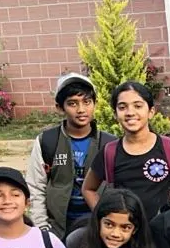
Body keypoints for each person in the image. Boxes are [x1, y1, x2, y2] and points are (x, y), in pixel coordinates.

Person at [81, 81, 170, 220]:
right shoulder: (109, 152)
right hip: (127, 231)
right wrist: (105, 217)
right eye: (122, 107)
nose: (130, 112)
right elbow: (88, 189)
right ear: (115, 114)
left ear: (151, 112)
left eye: (138, 106)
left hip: (164, 230)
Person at [27, 72, 113, 239]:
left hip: (98, 225)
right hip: (57, 226)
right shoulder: (47, 141)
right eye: (72, 103)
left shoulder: (108, 143)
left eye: (87, 102)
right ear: (60, 107)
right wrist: (42, 227)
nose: (81, 110)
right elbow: (36, 186)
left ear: (95, 103)